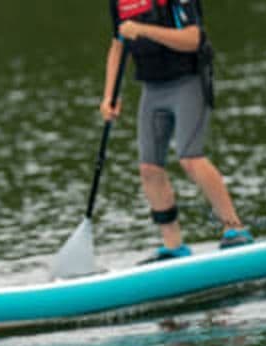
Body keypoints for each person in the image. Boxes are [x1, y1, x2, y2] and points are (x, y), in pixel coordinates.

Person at [102, 0, 253, 263]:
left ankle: (235, 229)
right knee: (149, 169)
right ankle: (173, 246)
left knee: (190, 158)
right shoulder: (119, 2)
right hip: (152, 90)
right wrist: (109, 96)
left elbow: (193, 39)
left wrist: (144, 30)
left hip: (188, 82)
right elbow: (118, 46)